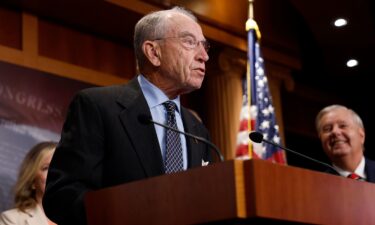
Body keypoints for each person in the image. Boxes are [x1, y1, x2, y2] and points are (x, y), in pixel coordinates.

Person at [43, 6, 212, 225]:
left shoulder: (198, 131)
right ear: (153, 52)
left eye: (204, 45)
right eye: (190, 42)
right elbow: (62, 195)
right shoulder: (98, 106)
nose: (204, 56)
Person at [0, 142, 57, 225]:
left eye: (61, 168)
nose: (56, 174)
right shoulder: (11, 219)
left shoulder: (80, 218)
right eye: (46, 168)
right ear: (32, 181)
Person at [315, 104, 375, 182]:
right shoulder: (317, 184)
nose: (335, 132)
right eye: (327, 129)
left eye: (343, 126)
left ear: (361, 135)